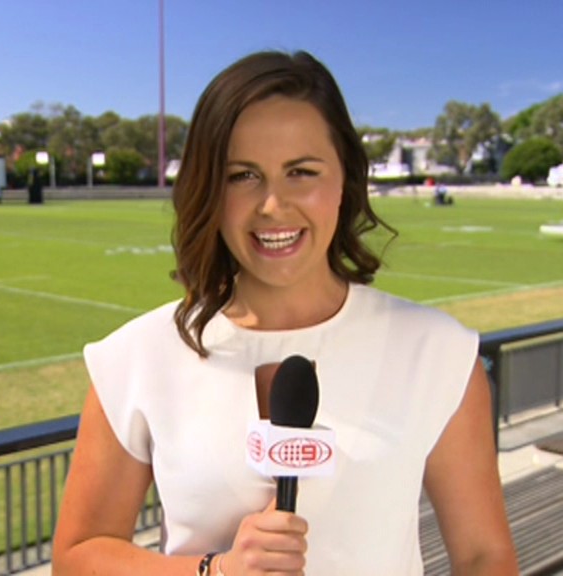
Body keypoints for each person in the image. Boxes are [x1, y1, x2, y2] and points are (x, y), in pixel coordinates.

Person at [52, 50, 517, 575]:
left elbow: (483, 556)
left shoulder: (438, 352)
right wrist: (217, 570)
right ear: (209, 190)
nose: (273, 205)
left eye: (301, 172)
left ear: (345, 181)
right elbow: (78, 557)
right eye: (242, 176)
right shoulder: (137, 356)